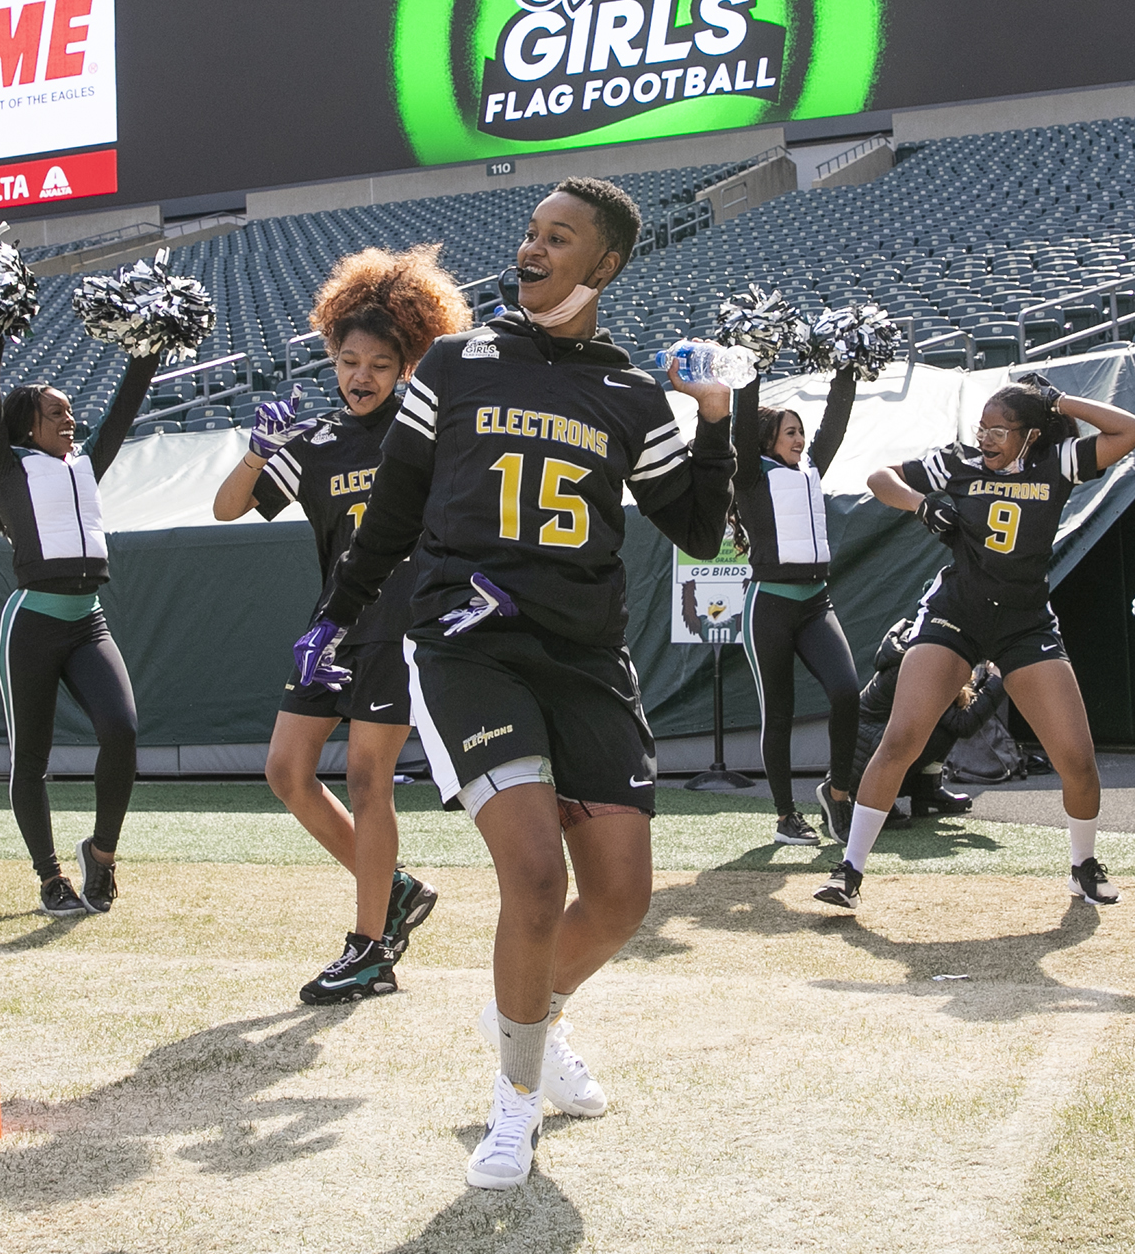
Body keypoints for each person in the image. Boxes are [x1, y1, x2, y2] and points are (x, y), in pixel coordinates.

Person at [291, 178, 737, 1188]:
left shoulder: (629, 392)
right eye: (532, 232)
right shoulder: (451, 363)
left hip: (585, 657)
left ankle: (535, 1014)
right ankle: (514, 1106)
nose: (532, 248)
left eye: (559, 237)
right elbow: (394, 513)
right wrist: (334, 615)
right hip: (468, 644)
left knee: (621, 899)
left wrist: (717, 413)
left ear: (606, 263)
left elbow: (702, 529)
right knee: (535, 877)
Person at [210, 246, 470, 1003]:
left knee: (366, 779)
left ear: (408, 366)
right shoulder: (315, 442)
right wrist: (259, 454)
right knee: (286, 773)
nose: (361, 376)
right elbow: (227, 509)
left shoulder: (426, 434)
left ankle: (371, 952)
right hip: (332, 632)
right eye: (348, 360)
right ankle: (393, 888)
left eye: (380, 364)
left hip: (398, 630)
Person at [815, 372, 1135, 912]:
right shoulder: (961, 459)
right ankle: (848, 869)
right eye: (982, 427)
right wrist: (921, 504)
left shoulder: (1056, 460)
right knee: (900, 739)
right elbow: (880, 477)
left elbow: (1131, 430)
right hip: (957, 614)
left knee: (1077, 760)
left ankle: (1082, 864)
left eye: (1000, 429)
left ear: (1031, 435)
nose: (986, 438)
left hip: (1025, 622)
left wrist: (1054, 397)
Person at [0, 333, 161, 917]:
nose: (69, 420)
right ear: (28, 426)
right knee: (31, 758)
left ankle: (100, 857)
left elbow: (122, 411)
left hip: (87, 624)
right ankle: (50, 876)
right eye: (56, 413)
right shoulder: (6, 468)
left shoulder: (82, 465)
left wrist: (150, 343)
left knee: (122, 733)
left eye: (70, 412)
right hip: (31, 625)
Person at [726, 365, 860, 847]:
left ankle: (837, 793)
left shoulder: (810, 469)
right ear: (768, 441)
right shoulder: (749, 474)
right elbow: (742, 420)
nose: (801, 439)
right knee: (778, 713)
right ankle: (786, 815)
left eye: (801, 432)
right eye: (790, 432)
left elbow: (835, 425)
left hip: (815, 602)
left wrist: (847, 371)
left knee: (847, 693)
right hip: (771, 607)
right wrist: (750, 369)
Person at [838, 618, 990, 821]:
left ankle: (928, 790)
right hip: (858, 776)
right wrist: (998, 679)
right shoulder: (926, 655)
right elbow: (963, 724)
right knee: (946, 724)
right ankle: (870, 800)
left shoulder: (930, 643)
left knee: (947, 715)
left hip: (861, 763)